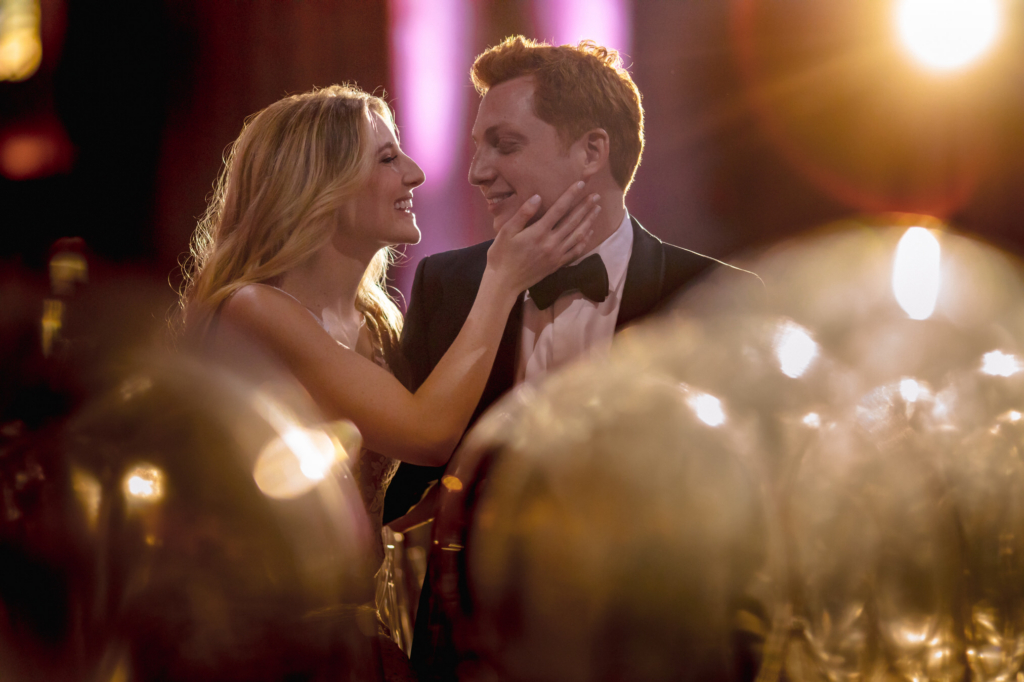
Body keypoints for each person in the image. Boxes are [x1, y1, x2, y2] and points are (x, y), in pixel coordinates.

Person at [177, 84, 600, 676]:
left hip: (352, 634)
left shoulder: (378, 321)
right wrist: (501, 281)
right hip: (259, 645)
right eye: (386, 158)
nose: (416, 172)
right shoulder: (253, 310)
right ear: (318, 184)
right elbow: (425, 433)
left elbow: (394, 489)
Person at [384, 36, 762, 679]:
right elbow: (407, 495)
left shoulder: (715, 299)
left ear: (592, 150)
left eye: (504, 144)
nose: (477, 171)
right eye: (478, 146)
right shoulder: (445, 287)